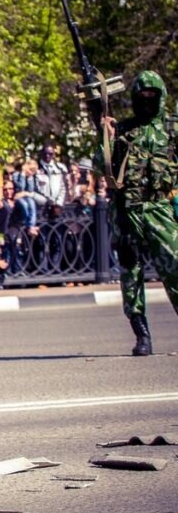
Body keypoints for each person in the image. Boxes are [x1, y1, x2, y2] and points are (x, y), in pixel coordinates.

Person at [101, 70, 178, 356]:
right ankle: (141, 335)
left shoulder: (172, 129)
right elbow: (102, 166)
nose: (146, 100)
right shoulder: (123, 130)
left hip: (160, 209)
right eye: (141, 96)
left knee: (176, 265)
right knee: (131, 274)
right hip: (126, 211)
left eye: (152, 96)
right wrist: (105, 136)